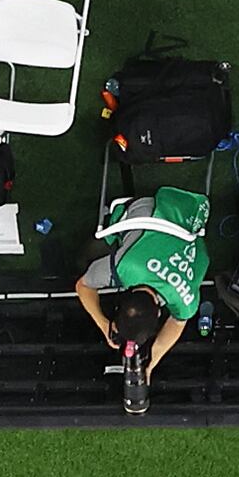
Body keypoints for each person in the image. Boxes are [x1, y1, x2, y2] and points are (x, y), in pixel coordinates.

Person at [76, 167, 212, 414]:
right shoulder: (125, 267)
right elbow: (83, 286)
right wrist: (103, 323)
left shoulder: (185, 299)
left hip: (181, 216)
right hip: (166, 212)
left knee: (85, 258)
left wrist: (149, 363)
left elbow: (178, 322)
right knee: (90, 259)